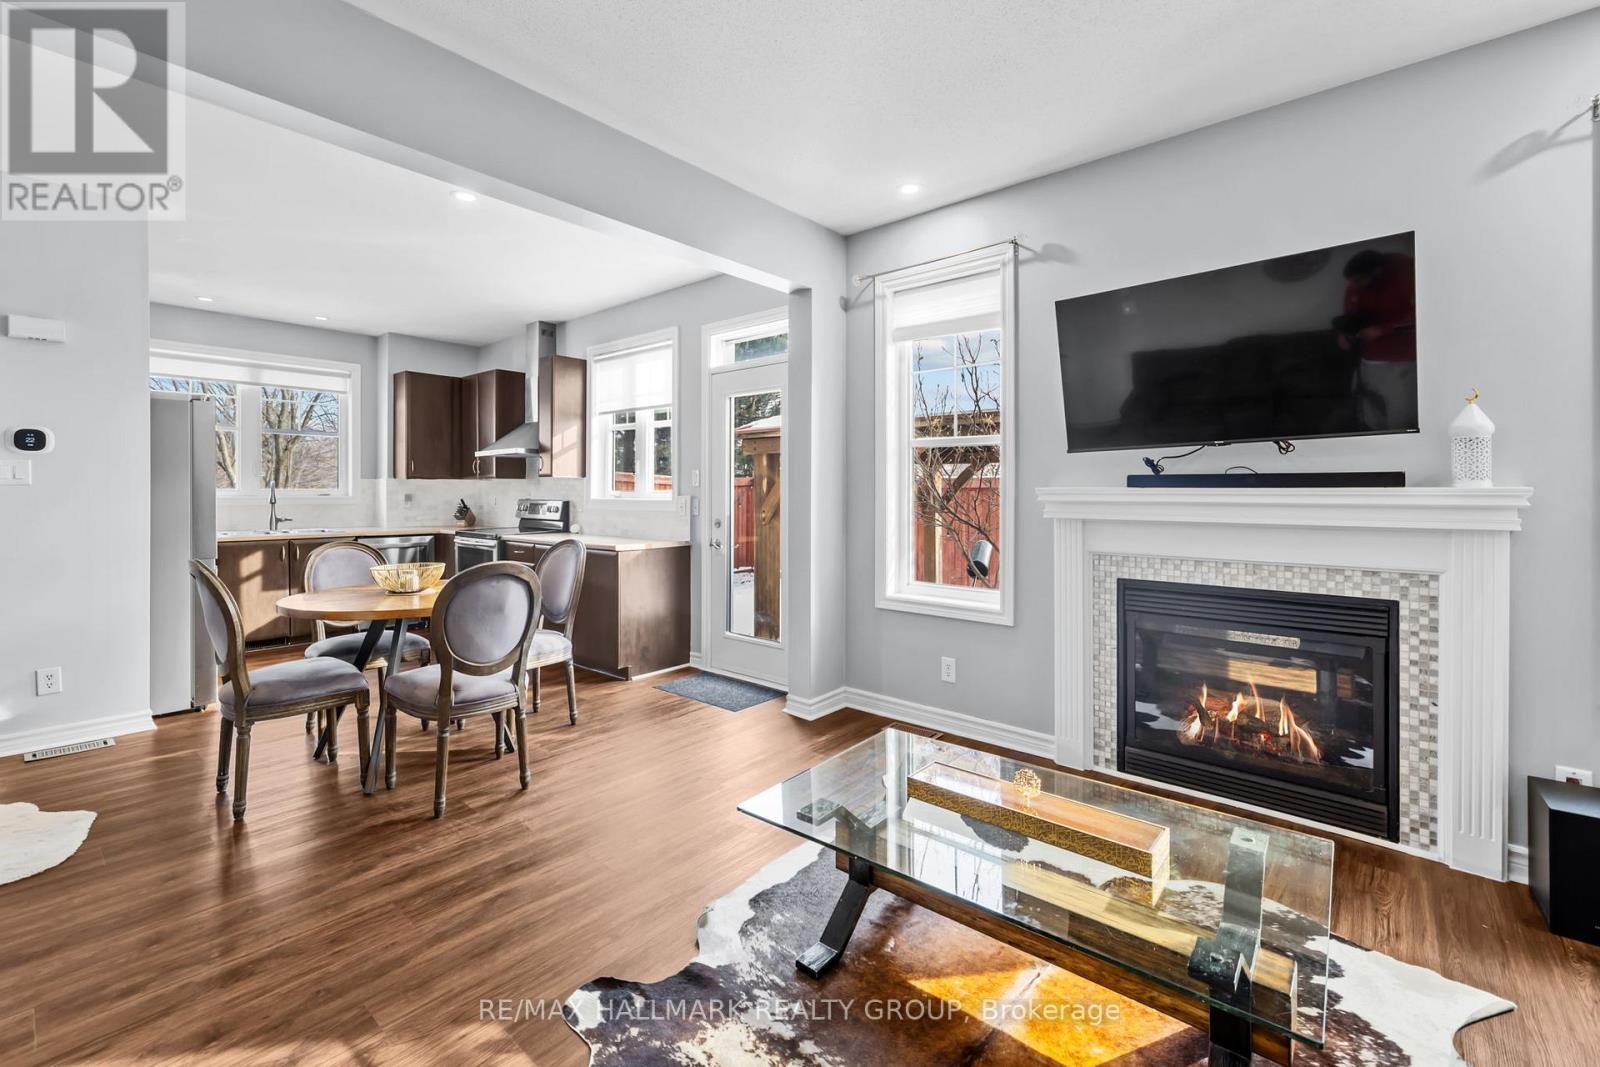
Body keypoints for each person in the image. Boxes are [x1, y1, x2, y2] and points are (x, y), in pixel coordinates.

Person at [1335, 249, 1417, 430]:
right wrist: (1344, 334)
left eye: (1358, 281)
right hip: (1365, 360)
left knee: (1399, 413)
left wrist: (1382, 330)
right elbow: (1350, 314)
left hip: (1400, 360)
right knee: (1367, 411)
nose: (1354, 286)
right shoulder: (1354, 288)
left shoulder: (1408, 274)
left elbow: (1419, 314)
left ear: (1376, 272)